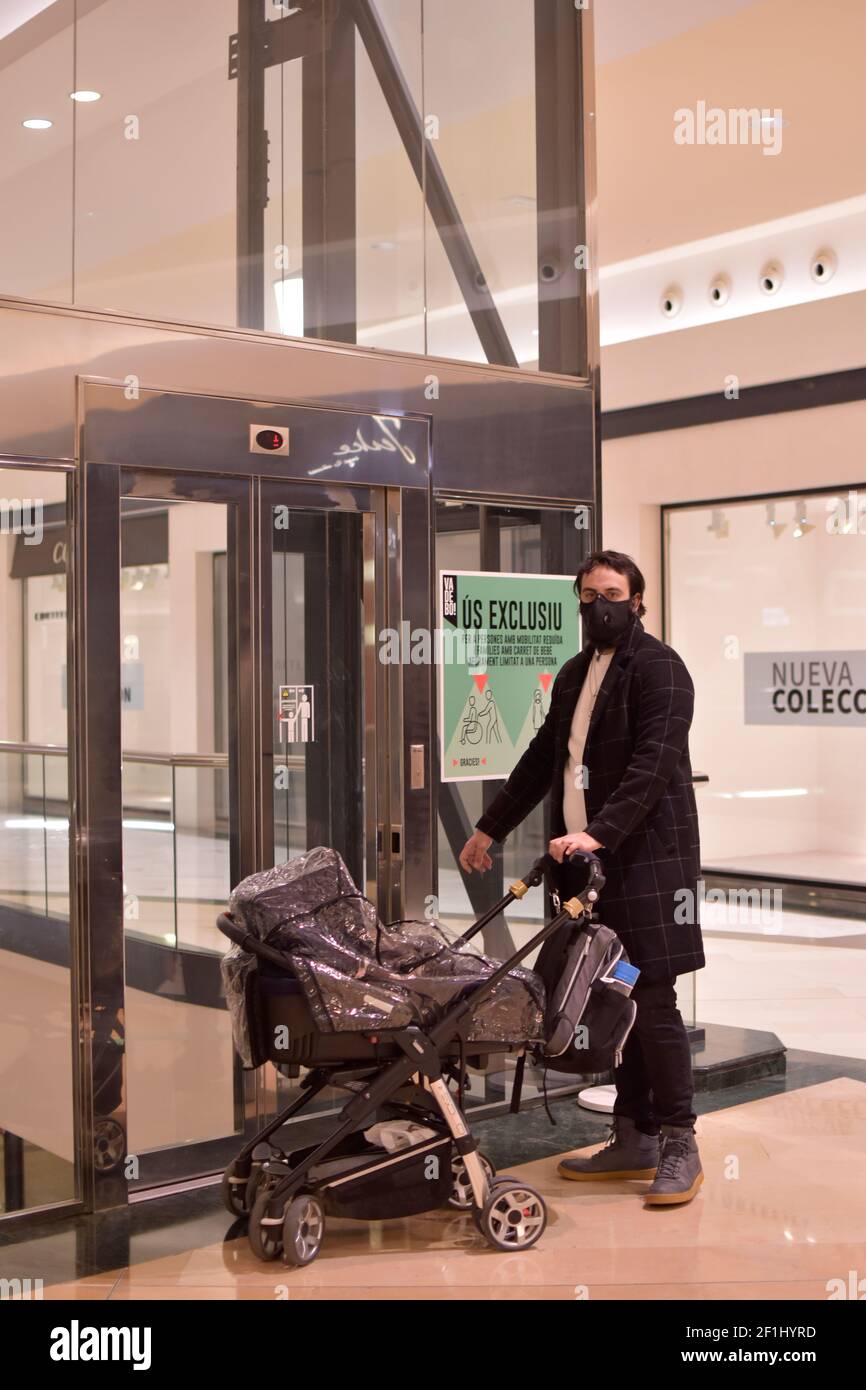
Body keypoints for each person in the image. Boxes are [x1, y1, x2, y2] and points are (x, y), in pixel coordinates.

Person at [459, 549, 705, 1206]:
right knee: (606, 998)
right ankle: (634, 1136)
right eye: (591, 594)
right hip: (582, 869)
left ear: (639, 602)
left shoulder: (661, 670)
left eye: (614, 593)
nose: (602, 604)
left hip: (647, 862)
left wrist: (599, 832)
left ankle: (680, 1140)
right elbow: (544, 758)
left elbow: (653, 768)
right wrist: (490, 827)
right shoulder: (573, 674)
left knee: (651, 998)